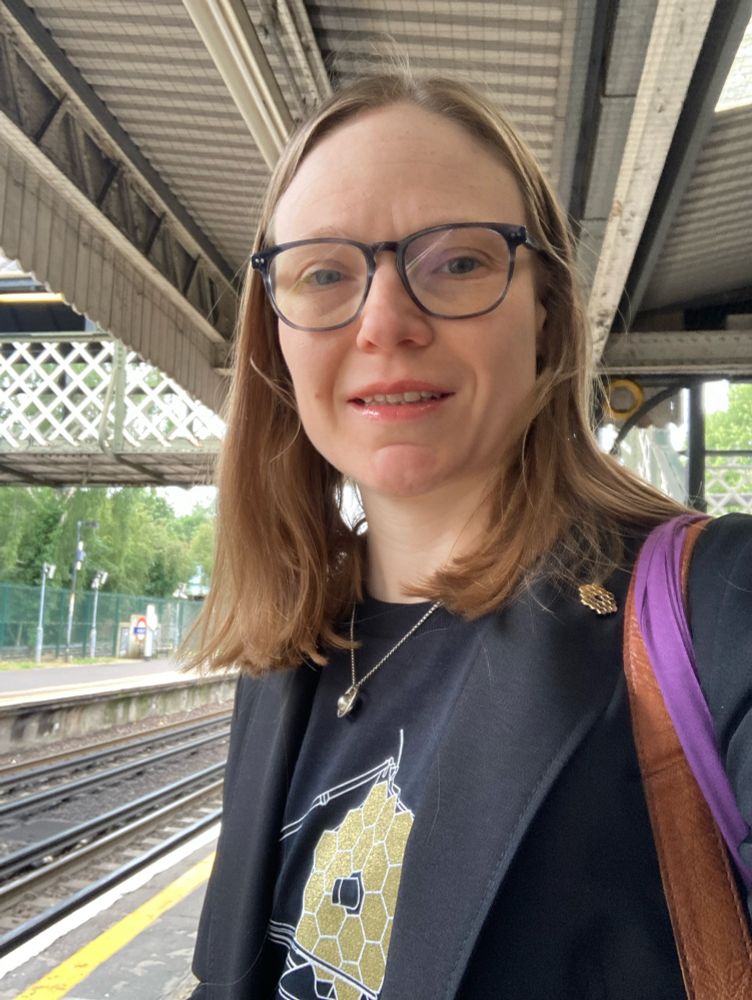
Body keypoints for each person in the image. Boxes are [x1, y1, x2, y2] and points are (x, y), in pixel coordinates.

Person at [188, 72, 752, 999]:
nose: (385, 323)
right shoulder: (286, 649)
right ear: (275, 333)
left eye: (457, 262)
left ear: (545, 308)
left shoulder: (716, 611)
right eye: (324, 274)